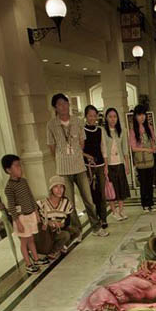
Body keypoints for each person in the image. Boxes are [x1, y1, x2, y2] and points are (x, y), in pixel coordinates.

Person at [46, 93, 108, 238]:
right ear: (55, 107)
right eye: (60, 104)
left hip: (79, 166)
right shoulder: (51, 125)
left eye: (65, 103)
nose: (64, 106)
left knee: (89, 200)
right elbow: (51, 147)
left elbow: (82, 142)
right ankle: (77, 230)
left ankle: (96, 227)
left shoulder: (77, 121)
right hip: (63, 169)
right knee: (70, 203)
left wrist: (76, 154)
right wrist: (62, 157)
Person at [2, 154, 49, 274]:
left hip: (30, 214)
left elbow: (31, 197)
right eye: (16, 166)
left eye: (20, 165)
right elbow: (11, 206)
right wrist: (17, 222)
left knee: (31, 238)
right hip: (21, 217)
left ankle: (36, 259)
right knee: (24, 242)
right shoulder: (9, 187)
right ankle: (28, 264)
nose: (20, 168)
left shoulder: (24, 181)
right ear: (8, 170)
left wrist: (36, 212)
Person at [35, 175, 78, 259]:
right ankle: (53, 251)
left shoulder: (66, 202)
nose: (59, 190)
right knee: (66, 235)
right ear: (51, 189)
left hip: (57, 231)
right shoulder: (43, 203)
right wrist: (48, 223)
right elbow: (35, 215)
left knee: (75, 231)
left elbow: (67, 222)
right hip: (46, 234)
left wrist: (60, 224)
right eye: (56, 187)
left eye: (61, 186)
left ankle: (59, 246)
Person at [102, 107, 131, 221]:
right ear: (106, 118)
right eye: (110, 117)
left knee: (121, 187)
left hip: (120, 162)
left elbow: (125, 149)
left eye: (115, 116)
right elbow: (103, 148)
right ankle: (114, 211)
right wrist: (105, 166)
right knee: (111, 189)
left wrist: (127, 164)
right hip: (109, 164)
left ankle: (121, 210)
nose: (113, 119)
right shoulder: (103, 131)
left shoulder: (122, 130)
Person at [82, 105, 107, 229]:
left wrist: (106, 165)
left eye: (94, 115)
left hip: (100, 165)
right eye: (90, 116)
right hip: (88, 166)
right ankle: (95, 219)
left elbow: (103, 148)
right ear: (86, 116)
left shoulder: (100, 130)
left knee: (102, 193)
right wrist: (87, 156)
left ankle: (103, 218)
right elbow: (79, 149)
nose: (92, 118)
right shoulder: (82, 130)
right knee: (91, 194)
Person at [129, 104, 156, 213]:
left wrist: (153, 148)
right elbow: (133, 148)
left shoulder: (149, 128)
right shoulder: (133, 131)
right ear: (135, 116)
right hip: (140, 162)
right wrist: (146, 149)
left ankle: (151, 203)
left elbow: (153, 140)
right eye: (140, 115)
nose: (142, 117)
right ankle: (144, 204)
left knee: (150, 184)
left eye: (144, 114)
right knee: (143, 184)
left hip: (150, 161)